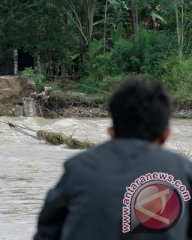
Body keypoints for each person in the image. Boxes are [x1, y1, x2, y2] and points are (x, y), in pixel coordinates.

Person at [34, 78, 192, 240]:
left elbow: (46, 232)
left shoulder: (77, 167)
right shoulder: (184, 170)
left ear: (111, 131)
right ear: (165, 135)